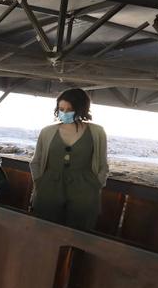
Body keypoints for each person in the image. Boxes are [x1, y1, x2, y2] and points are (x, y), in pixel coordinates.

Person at [29, 88, 109, 230]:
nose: (65, 113)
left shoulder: (97, 132)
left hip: (84, 193)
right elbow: (36, 161)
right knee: (44, 232)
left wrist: (96, 185)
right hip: (48, 190)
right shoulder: (47, 132)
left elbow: (103, 164)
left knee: (79, 235)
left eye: (70, 109)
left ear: (81, 109)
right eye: (61, 109)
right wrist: (39, 183)